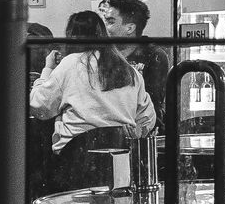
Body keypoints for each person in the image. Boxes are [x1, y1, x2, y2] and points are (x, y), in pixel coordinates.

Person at [31, 10, 157, 194]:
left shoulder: (70, 64)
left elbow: (39, 106)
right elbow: (148, 120)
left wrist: (48, 68)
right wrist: (129, 132)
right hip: (123, 167)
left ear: (71, 37)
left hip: (75, 165)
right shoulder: (130, 71)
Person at [102, 0, 167, 112]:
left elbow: (152, 104)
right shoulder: (100, 54)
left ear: (130, 28)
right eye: (105, 21)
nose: (104, 27)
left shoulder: (153, 56)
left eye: (110, 22)